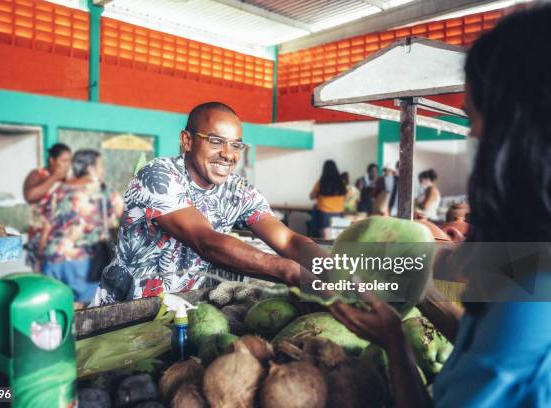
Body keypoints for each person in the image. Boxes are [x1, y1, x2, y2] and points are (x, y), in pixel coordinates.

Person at [329, 5, 551, 407]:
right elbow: (488, 290)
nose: (474, 135)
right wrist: (434, 252)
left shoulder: (526, 313)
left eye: (476, 117)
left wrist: (394, 341)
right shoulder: (533, 260)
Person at [93, 102, 321, 305]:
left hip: (182, 309)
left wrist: (335, 270)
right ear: (187, 141)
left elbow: (288, 240)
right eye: (216, 141)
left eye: (236, 145)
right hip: (121, 313)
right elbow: (205, 241)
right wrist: (288, 270)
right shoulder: (158, 175)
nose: (228, 154)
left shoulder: (238, 190)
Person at [41, 149, 123, 305]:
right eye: (100, 166)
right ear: (90, 168)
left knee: (54, 309)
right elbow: (125, 219)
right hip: (82, 263)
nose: (102, 170)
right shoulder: (104, 190)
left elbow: (46, 227)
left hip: (52, 259)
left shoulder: (58, 190)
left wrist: (41, 257)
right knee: (83, 312)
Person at [22, 143, 72, 272]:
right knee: (42, 275)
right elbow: (30, 196)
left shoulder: (68, 180)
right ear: (52, 160)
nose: (67, 164)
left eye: (69, 161)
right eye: (64, 160)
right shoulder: (38, 174)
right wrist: (54, 178)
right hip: (40, 236)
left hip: (62, 237)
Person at [309, 160, 346, 238]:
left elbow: (311, 196)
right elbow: (345, 197)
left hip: (324, 213)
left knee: (325, 239)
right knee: (337, 237)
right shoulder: (341, 183)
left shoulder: (321, 182)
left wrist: (318, 193)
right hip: (339, 213)